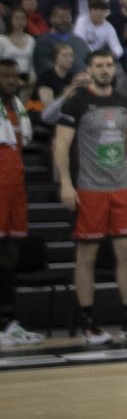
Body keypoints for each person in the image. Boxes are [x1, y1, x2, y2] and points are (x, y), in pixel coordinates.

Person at [54, 50, 127, 344]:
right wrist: (65, 183)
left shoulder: (123, 100)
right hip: (89, 189)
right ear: (89, 69)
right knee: (87, 255)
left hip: (121, 188)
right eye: (99, 65)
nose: (105, 69)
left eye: (109, 65)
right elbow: (61, 146)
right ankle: (89, 324)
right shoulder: (77, 102)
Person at [0, 61, 43, 344]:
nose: (12, 80)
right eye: (5, 75)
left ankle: (8, 322)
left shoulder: (18, 105)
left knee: (10, 252)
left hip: (15, 187)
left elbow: (43, 114)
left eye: (15, 76)